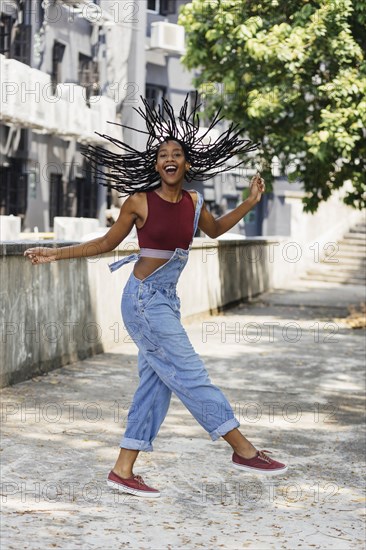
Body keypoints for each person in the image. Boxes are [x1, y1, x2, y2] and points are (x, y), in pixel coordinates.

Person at [24, 95, 288, 499]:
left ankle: (123, 470)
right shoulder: (139, 202)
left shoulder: (194, 202)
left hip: (167, 300)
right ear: (156, 165)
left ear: (185, 164)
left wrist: (250, 203)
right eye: (163, 154)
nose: (170, 159)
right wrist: (55, 253)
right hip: (144, 301)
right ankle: (242, 449)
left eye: (176, 154)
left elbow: (214, 231)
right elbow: (106, 244)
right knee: (190, 373)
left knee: (156, 384)